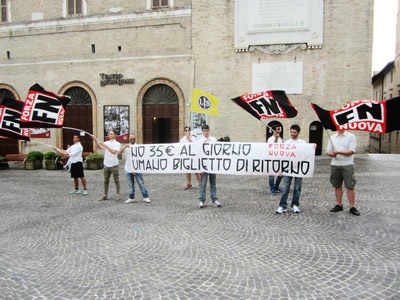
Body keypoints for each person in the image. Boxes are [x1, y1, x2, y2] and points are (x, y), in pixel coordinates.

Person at [327, 130, 360, 216]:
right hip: (335, 164)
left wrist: (338, 152)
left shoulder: (351, 136)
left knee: (350, 185)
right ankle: (339, 204)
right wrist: (332, 154)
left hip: (347, 164)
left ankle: (352, 207)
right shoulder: (333, 137)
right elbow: (328, 151)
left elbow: (351, 151)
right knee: (337, 185)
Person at [276, 125, 306, 214]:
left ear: (298, 132)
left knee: (297, 188)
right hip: (288, 168)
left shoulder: (303, 143)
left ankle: (295, 205)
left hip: (298, 168)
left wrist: (313, 147)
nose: (292, 134)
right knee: (285, 188)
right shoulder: (287, 143)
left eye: (294, 132)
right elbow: (282, 156)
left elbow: (306, 154)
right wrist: (281, 170)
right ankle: (282, 206)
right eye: (291, 132)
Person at [117, 133, 151, 204]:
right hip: (128, 168)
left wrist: (136, 169)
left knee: (141, 183)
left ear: (135, 139)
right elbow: (118, 154)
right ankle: (131, 197)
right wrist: (124, 147)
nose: (132, 140)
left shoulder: (138, 147)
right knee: (130, 184)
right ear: (129, 139)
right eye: (131, 139)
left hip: (137, 168)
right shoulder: (126, 147)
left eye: (133, 139)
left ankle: (146, 196)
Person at [92, 130, 121, 201]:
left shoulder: (117, 144)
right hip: (106, 164)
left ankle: (117, 194)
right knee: (106, 181)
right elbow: (100, 147)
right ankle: (105, 195)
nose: (110, 135)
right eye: (109, 134)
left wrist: (105, 145)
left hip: (114, 164)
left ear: (115, 135)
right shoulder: (107, 142)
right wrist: (95, 140)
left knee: (116, 180)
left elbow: (114, 152)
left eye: (111, 134)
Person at [197, 124, 221, 208]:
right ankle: (201, 200)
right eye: (204, 131)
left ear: (209, 131)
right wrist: (200, 168)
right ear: (202, 132)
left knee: (213, 183)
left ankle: (214, 199)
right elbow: (198, 154)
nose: (206, 132)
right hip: (204, 165)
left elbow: (217, 151)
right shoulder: (199, 141)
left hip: (212, 165)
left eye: (207, 130)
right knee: (203, 184)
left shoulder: (213, 139)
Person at [180, 126, 201, 190]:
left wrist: (189, 138)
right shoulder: (183, 139)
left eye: (188, 130)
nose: (187, 131)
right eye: (185, 130)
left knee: (196, 171)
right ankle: (189, 183)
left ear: (190, 131)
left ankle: (200, 183)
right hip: (186, 156)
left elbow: (195, 145)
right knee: (187, 170)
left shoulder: (193, 137)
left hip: (193, 156)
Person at [267, 125, 283, 194]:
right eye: (277, 129)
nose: (278, 131)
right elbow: (272, 148)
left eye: (279, 129)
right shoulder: (270, 139)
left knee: (281, 174)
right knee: (271, 175)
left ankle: (276, 186)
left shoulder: (280, 139)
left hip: (279, 158)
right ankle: (272, 188)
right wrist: (276, 139)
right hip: (272, 159)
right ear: (274, 131)